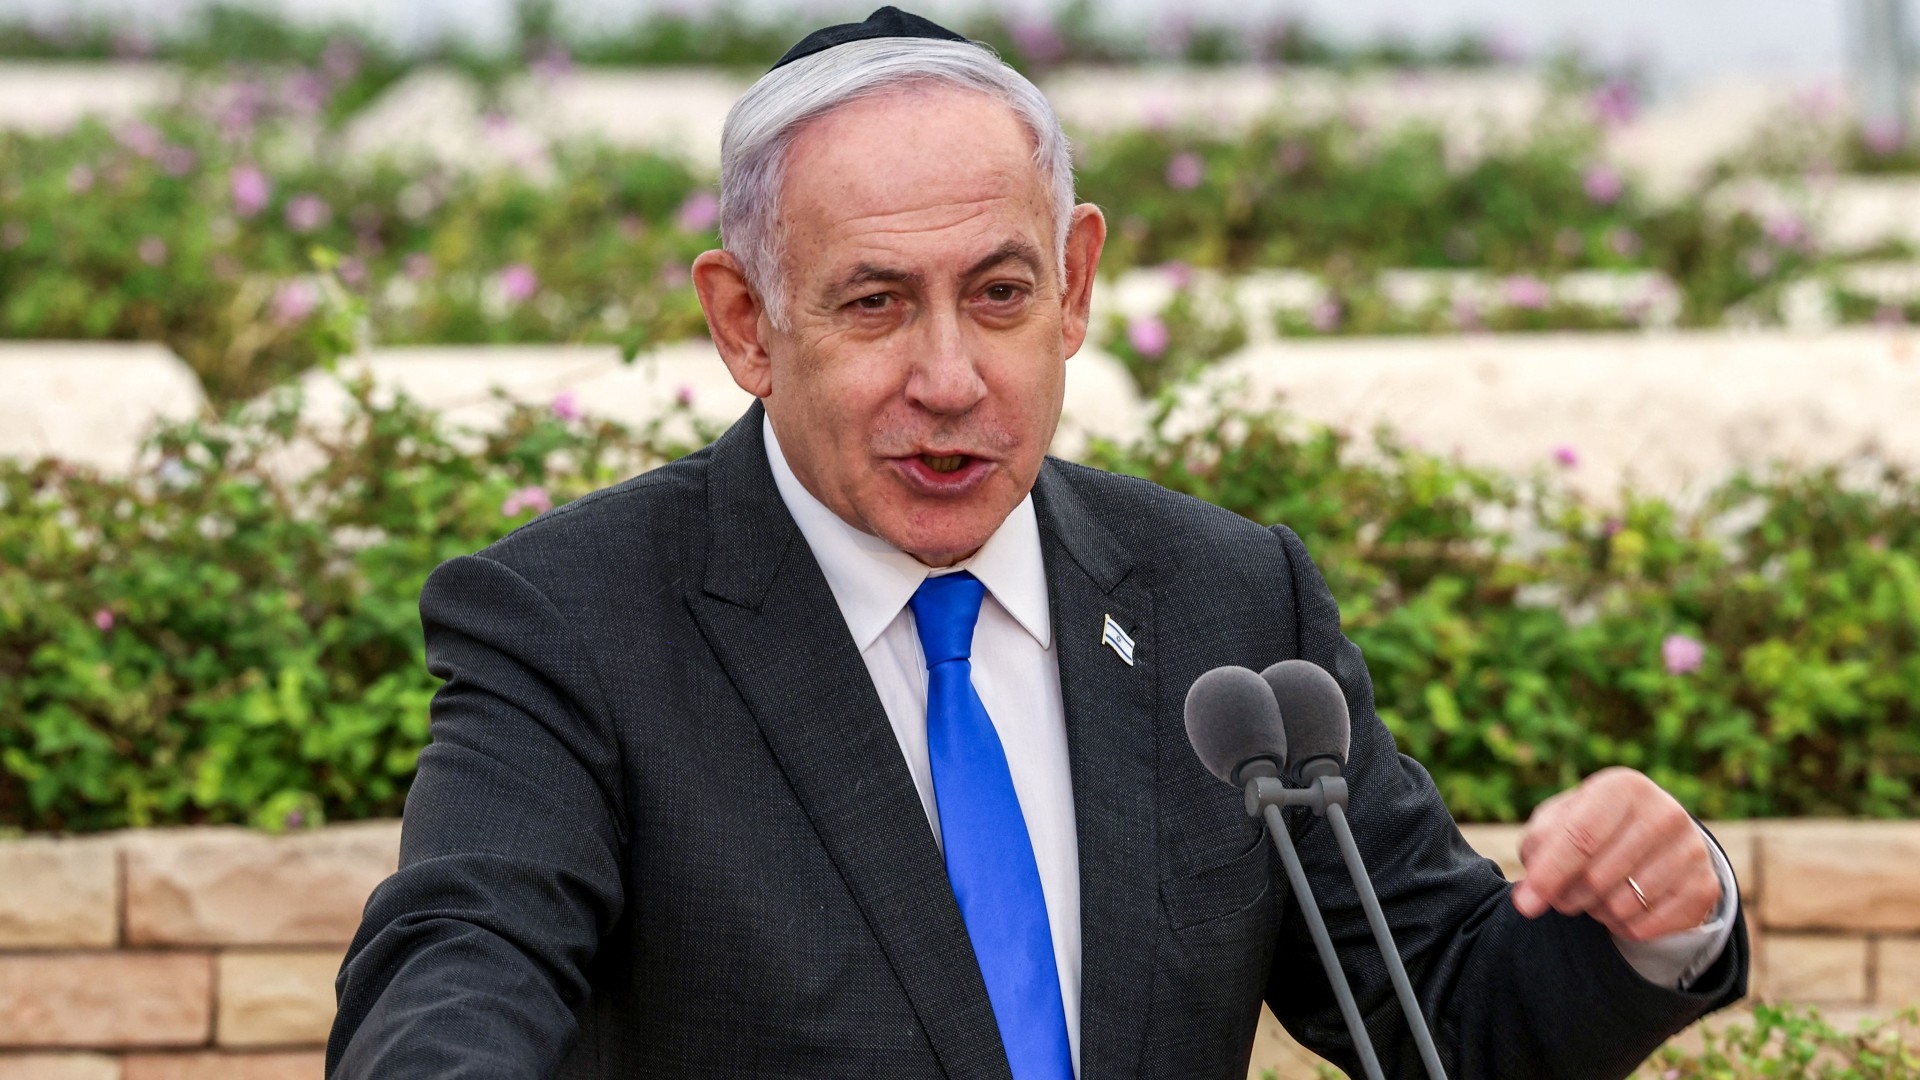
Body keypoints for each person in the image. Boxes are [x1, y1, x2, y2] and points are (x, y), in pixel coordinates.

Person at [327, 9, 1748, 1079]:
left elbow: (1444, 1007)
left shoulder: (1226, 604)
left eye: (999, 294)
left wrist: (1650, 911)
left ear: (1073, 288)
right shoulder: (574, 622)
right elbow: (457, 974)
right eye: (876, 304)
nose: (950, 376)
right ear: (747, 324)